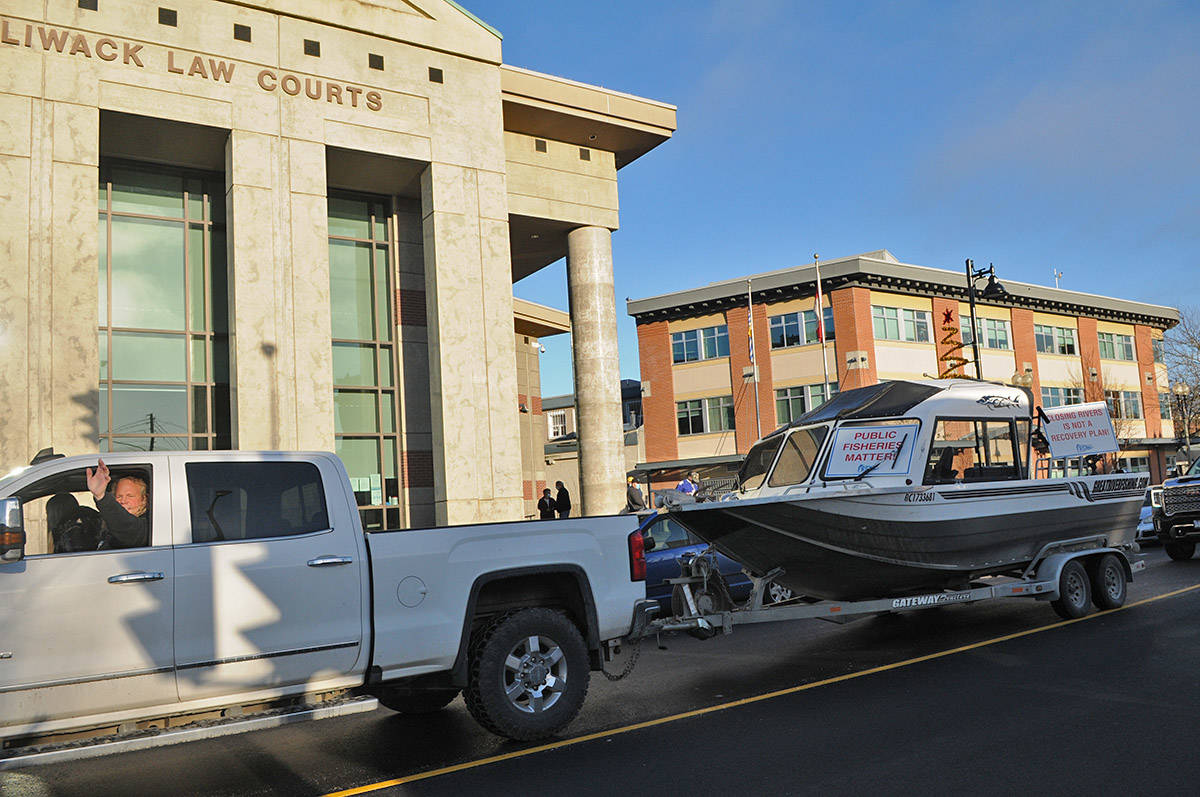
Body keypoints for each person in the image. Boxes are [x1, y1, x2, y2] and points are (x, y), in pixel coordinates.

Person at [86, 459, 150, 548]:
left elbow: (126, 526)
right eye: (119, 496)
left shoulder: (148, 526)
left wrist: (101, 496)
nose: (123, 501)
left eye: (130, 496)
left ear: (144, 499)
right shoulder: (106, 526)